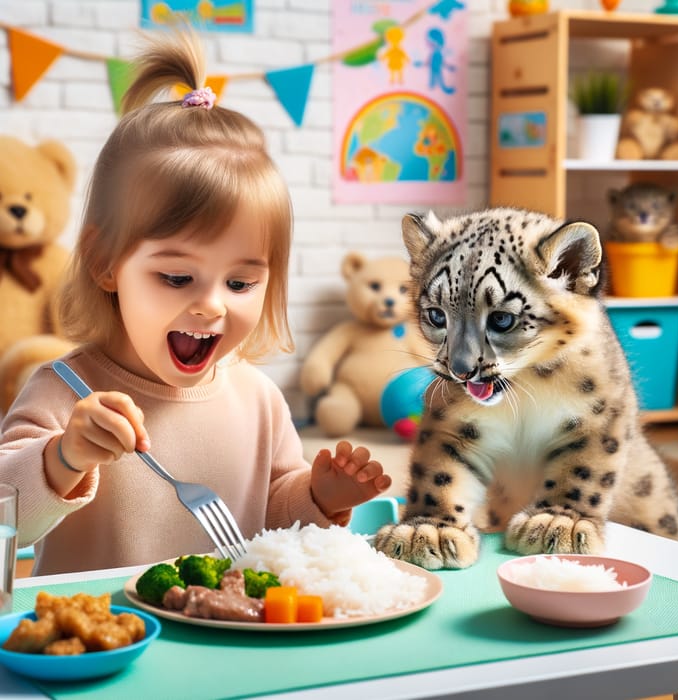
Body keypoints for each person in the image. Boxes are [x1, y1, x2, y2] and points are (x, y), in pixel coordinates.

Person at [0, 29, 391, 576]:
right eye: (179, 277)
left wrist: (320, 496)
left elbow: (274, 513)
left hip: (232, 639)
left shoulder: (258, 399)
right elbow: (7, 512)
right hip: (108, 644)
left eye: (240, 284)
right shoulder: (65, 391)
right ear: (105, 262)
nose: (212, 306)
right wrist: (65, 456)